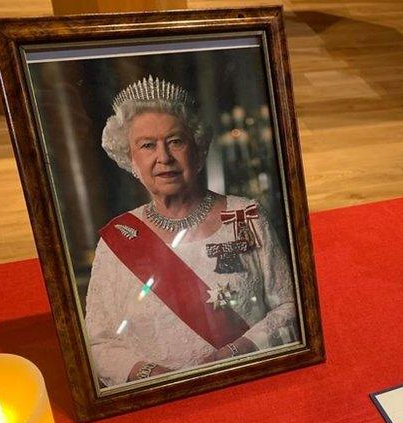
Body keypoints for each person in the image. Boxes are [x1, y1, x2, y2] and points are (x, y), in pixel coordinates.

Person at [84, 75, 298, 388]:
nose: (164, 157)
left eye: (175, 141)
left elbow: (289, 308)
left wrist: (239, 351)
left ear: (197, 150)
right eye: (147, 146)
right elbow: (99, 343)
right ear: (131, 160)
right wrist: (149, 375)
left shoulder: (245, 215)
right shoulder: (118, 239)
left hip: (248, 381)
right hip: (162, 399)